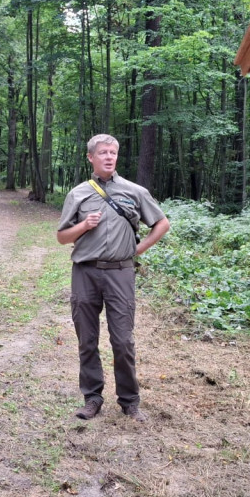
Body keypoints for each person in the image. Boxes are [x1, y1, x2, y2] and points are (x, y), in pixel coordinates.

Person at [56, 134, 171, 423]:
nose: (109, 157)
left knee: (122, 340)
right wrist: (83, 225)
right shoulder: (78, 194)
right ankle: (92, 398)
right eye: (103, 152)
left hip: (121, 272)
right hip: (85, 271)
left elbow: (162, 223)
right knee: (87, 339)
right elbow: (61, 237)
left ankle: (129, 401)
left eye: (113, 152)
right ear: (91, 157)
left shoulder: (134, 191)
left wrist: (137, 249)